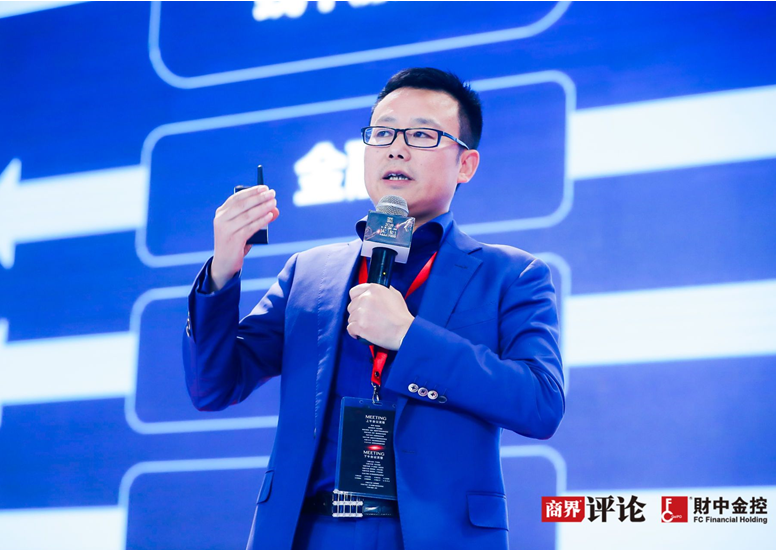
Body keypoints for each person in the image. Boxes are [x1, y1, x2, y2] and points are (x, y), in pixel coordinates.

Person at [183, 68, 564, 550]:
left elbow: (540, 404)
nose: (396, 149)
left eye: (422, 135)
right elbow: (212, 386)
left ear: (466, 165)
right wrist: (223, 268)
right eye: (382, 133)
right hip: (309, 534)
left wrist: (409, 337)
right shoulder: (309, 273)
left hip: (437, 536)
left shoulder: (511, 274)